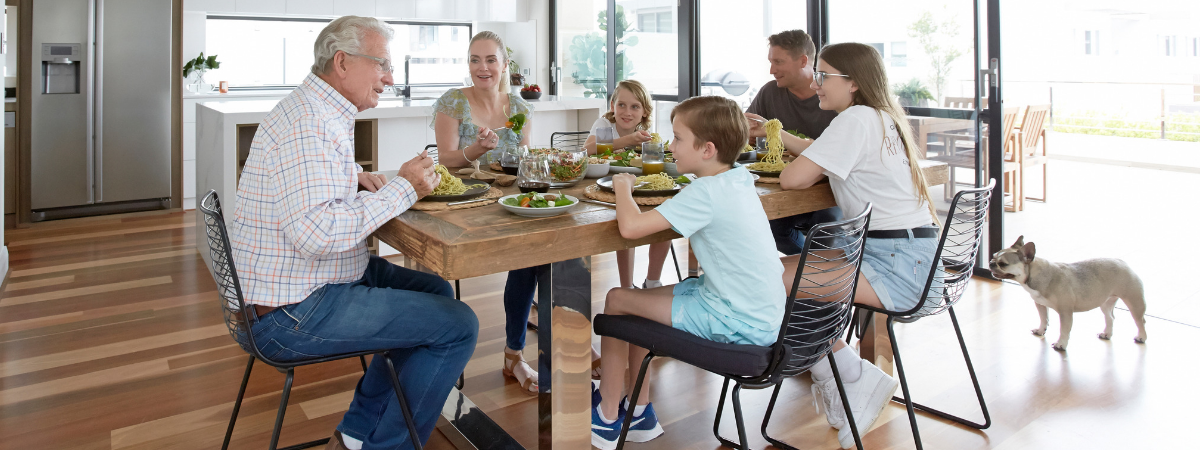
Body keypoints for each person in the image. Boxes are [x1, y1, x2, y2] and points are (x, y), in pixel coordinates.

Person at [229, 16, 478, 450]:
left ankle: (357, 435)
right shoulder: (310, 123)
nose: (390, 78)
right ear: (342, 62)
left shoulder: (317, 110)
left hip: (305, 285)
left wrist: (352, 177)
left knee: (437, 292)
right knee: (459, 325)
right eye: (382, 63)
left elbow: (311, 186)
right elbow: (315, 232)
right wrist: (404, 187)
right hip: (290, 312)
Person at [590, 96, 786, 450]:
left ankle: (605, 416)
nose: (670, 145)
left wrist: (622, 187)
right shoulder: (738, 178)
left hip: (735, 319)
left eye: (678, 138)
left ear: (707, 149)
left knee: (617, 298)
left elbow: (631, 228)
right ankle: (638, 411)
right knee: (639, 302)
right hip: (761, 314)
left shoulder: (705, 192)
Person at [777, 42, 942, 449]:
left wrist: (787, 150)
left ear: (852, 83)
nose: (816, 83)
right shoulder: (881, 117)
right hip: (912, 257)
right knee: (791, 273)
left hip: (897, 268)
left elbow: (792, 180)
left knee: (772, 278)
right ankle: (844, 375)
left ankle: (852, 375)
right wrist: (781, 137)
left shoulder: (854, 121)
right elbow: (822, 156)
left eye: (824, 75)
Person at [431, 31, 542, 395]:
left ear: (505, 65)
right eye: (475, 60)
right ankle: (435, 362)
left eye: (491, 60)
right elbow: (443, 159)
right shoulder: (452, 102)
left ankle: (515, 353)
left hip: (506, 204)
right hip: (460, 208)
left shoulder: (519, 109)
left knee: (540, 255)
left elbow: (524, 162)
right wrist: (477, 149)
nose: (483, 68)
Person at [744, 29, 842, 255]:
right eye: (770, 62)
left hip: (831, 191)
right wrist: (746, 132)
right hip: (786, 185)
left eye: (778, 62)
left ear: (803, 61)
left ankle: (817, 274)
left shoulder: (833, 98)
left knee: (825, 225)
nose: (772, 70)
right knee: (768, 226)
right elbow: (746, 133)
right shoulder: (770, 92)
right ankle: (809, 273)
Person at [584, 80, 674, 292]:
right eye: (621, 105)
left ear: (644, 112)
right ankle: (627, 286)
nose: (627, 112)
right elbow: (588, 149)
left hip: (639, 185)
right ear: (613, 106)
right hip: (607, 186)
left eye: (635, 107)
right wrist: (627, 141)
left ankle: (653, 281)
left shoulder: (644, 132)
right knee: (623, 223)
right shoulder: (605, 126)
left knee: (665, 216)